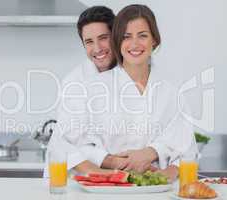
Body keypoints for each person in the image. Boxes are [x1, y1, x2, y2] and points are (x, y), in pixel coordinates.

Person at [60, 4, 198, 181]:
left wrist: (158, 168)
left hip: (157, 191)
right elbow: (72, 145)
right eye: (126, 37)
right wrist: (115, 166)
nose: (134, 44)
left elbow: (187, 150)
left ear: (154, 40)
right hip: (106, 190)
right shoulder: (91, 89)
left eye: (143, 35)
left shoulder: (170, 91)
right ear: (118, 42)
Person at [45, 6, 125, 177]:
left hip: (125, 177)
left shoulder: (132, 73)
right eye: (89, 42)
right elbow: (70, 143)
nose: (97, 48)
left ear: (116, 37)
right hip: (82, 179)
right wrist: (110, 162)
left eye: (103, 38)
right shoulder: (75, 82)